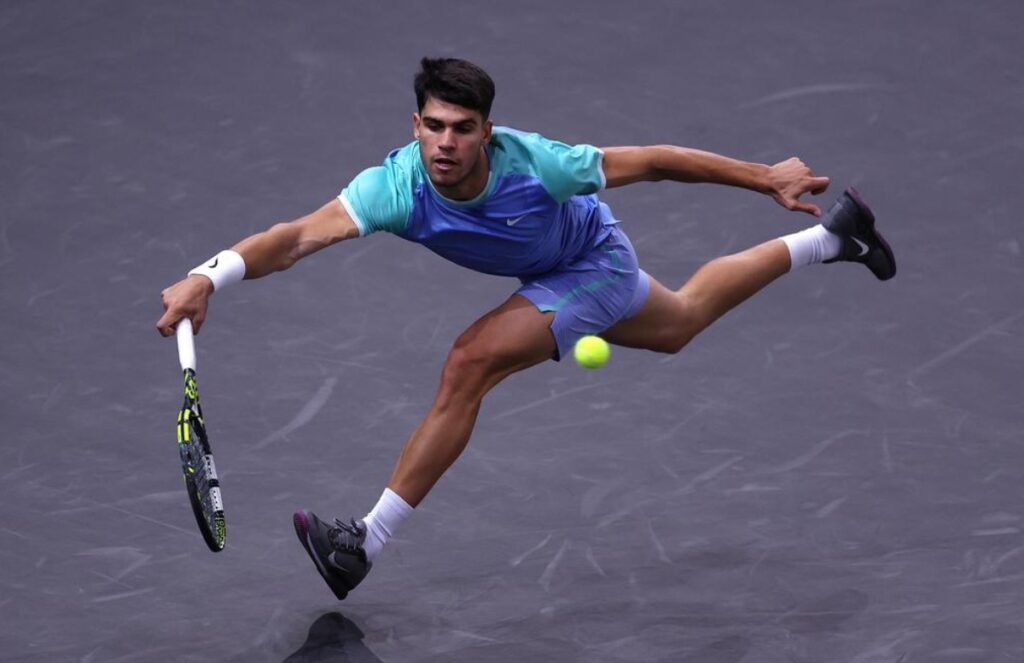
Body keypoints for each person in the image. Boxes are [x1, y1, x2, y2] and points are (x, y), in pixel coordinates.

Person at [156, 57, 896, 601]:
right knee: (682, 320)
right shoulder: (393, 187)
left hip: (592, 262)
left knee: (470, 360)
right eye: (433, 127)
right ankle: (837, 238)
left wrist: (764, 175)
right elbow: (292, 238)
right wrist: (207, 274)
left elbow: (656, 163)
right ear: (415, 125)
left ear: (487, 131)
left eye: (463, 129)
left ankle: (362, 543)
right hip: (552, 275)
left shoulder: (539, 164)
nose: (445, 143)